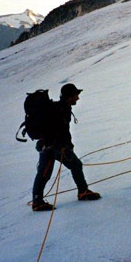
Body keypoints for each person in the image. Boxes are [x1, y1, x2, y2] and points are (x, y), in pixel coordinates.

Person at [31, 83, 101, 211]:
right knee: (76, 165)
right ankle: (83, 192)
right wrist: (65, 146)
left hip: (47, 146)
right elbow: (60, 131)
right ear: (70, 97)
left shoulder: (59, 107)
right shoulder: (61, 109)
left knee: (44, 173)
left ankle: (37, 201)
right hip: (55, 146)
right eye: (76, 95)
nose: (78, 98)